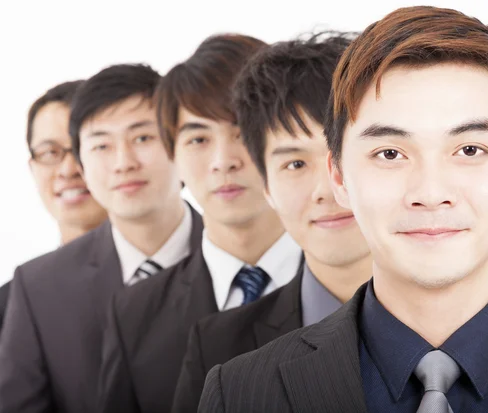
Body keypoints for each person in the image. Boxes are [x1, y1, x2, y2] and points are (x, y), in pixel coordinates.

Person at [199, 6, 488, 413]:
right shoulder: (239, 393)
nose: (430, 192)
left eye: (469, 149)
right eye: (389, 153)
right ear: (339, 177)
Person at [98, 34, 302, 413]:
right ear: (172, 152)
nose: (223, 161)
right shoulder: (134, 316)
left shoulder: (356, 286)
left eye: (242, 132)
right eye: (198, 139)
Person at [171, 32, 373, 413]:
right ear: (265, 183)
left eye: (345, 155)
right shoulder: (218, 351)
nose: (326, 191)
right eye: (295, 164)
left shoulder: (474, 316)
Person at [0, 63, 203, 413]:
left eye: (142, 137)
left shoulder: (240, 258)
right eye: (101, 146)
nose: (123, 162)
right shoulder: (37, 288)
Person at [0, 81, 108, 332]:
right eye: (50, 152)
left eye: (83, 148)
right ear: (32, 167)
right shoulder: (9, 306)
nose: (68, 169)